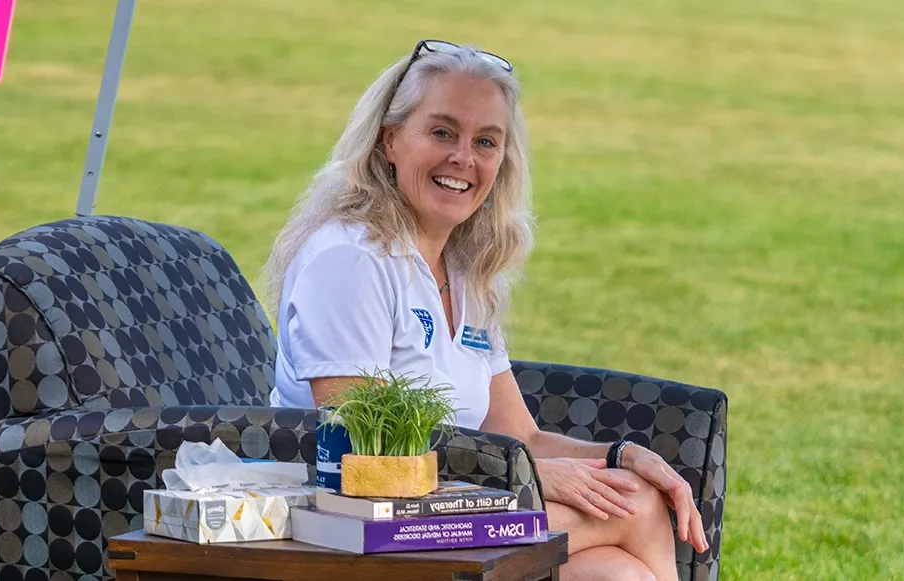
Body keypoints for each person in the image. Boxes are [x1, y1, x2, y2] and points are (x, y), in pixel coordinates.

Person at [263, 40, 706, 580]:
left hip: (440, 509)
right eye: (442, 132)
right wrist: (527, 474)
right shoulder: (351, 259)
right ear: (390, 141)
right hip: (349, 527)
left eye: (486, 141)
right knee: (635, 509)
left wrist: (621, 455)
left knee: (617, 572)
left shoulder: (463, 272)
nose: (463, 158)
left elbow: (523, 435)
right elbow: (367, 447)